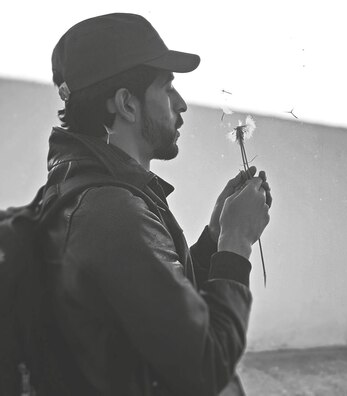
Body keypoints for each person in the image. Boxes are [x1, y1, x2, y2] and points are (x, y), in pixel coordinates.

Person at [40, 13, 271, 395]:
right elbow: (206, 368)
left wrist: (215, 236)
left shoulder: (96, 188)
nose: (181, 104)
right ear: (127, 104)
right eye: (167, 88)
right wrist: (237, 243)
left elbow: (159, 305)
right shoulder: (112, 211)